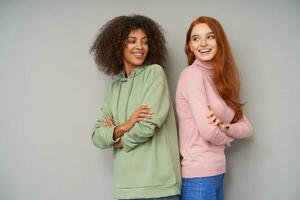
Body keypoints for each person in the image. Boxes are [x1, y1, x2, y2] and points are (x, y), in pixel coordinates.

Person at [90, 15, 181, 200]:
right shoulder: (115, 88)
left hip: (159, 187)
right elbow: (97, 136)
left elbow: (147, 125)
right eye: (132, 41)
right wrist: (124, 126)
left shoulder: (154, 73)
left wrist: (117, 140)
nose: (140, 47)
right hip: (125, 188)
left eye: (145, 42)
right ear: (118, 46)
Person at [176, 16, 253, 200]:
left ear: (219, 41)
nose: (203, 43)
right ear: (190, 47)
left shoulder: (220, 81)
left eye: (210, 36)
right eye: (196, 38)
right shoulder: (192, 75)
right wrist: (227, 138)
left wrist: (225, 127)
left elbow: (248, 128)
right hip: (199, 175)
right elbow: (208, 132)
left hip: (217, 173)